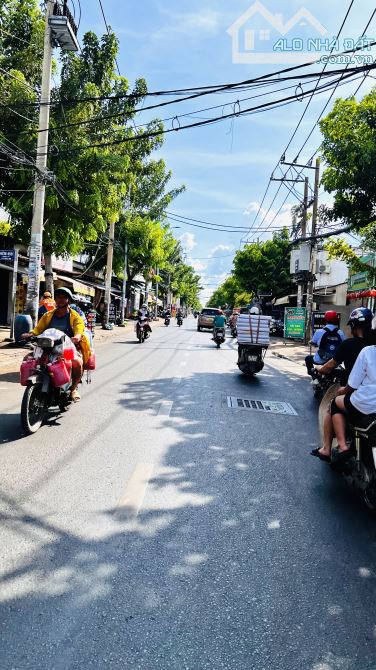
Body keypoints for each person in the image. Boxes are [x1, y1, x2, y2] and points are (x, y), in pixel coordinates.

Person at [311, 308, 375, 462]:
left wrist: (318, 369)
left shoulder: (363, 349)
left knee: (334, 404)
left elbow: (348, 380)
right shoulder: (341, 335)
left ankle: (330, 448)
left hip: (359, 396)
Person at [21, 287, 91, 402]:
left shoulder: (75, 316)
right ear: (55, 299)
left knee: (76, 362)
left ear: (68, 300)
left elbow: (79, 329)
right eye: (58, 297)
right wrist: (30, 334)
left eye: (64, 297)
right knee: (28, 358)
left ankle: (73, 389)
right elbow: (38, 329)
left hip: (68, 348)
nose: (61, 300)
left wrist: (77, 337)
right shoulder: (48, 315)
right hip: (47, 347)